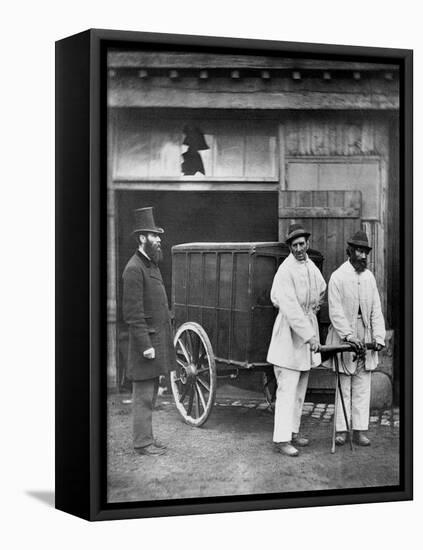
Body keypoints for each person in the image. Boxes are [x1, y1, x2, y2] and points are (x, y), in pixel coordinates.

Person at [267, 224, 326, 457]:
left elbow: (321, 288)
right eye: (295, 246)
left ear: (307, 244)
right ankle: (281, 439)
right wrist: (310, 335)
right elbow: (290, 308)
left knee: (300, 387)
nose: (300, 249)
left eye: (302, 244)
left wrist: (314, 306)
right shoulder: (285, 270)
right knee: (287, 388)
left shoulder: (310, 265)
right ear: (290, 247)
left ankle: (293, 432)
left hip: (306, 333)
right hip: (288, 336)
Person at [122, 207, 176, 456]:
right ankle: (142, 443)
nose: (159, 239)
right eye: (154, 235)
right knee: (143, 396)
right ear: (142, 238)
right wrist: (145, 346)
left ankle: (148, 438)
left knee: (152, 394)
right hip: (147, 344)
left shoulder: (151, 265)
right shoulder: (134, 269)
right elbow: (133, 315)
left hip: (157, 340)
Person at [325, 230, 385, 446]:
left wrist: (378, 336)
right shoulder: (338, 277)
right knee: (344, 383)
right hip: (344, 334)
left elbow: (376, 310)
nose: (362, 255)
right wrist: (348, 336)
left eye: (365, 252)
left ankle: (360, 429)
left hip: (365, 333)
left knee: (362, 383)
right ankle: (341, 430)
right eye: (359, 251)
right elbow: (335, 312)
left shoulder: (369, 278)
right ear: (349, 251)